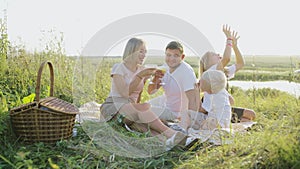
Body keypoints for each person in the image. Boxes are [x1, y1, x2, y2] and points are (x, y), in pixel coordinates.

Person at [100, 37, 186, 149]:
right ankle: (173, 134)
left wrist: (155, 80)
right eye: (141, 51)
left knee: (143, 124)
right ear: (131, 51)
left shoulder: (142, 69)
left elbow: (138, 95)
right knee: (144, 108)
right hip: (114, 107)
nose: (144, 55)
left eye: (145, 52)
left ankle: (166, 143)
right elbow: (124, 94)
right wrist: (139, 76)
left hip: (129, 110)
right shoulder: (119, 68)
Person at [199, 25, 256, 122]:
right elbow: (227, 58)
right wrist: (229, 40)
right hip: (213, 111)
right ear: (207, 63)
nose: (218, 54)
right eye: (214, 55)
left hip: (223, 108)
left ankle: (229, 124)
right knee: (249, 116)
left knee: (250, 116)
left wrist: (235, 47)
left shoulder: (221, 72)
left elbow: (240, 64)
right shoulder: (211, 71)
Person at [147, 41, 200, 131]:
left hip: (176, 113)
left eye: (175, 55)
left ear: (182, 57)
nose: (171, 59)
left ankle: (167, 126)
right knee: (141, 107)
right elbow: (150, 92)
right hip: (166, 104)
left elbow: (193, 99)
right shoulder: (165, 67)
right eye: (168, 55)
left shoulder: (186, 72)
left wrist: (189, 123)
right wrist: (155, 78)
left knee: (143, 113)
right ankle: (164, 123)